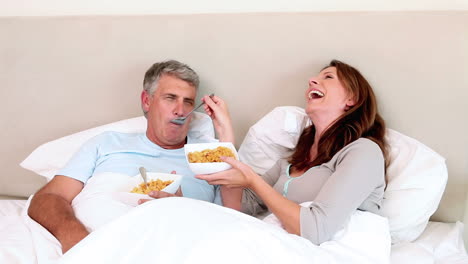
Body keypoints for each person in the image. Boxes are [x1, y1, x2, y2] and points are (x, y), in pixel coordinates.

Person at [27, 59, 234, 253]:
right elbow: (48, 198)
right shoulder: (106, 144)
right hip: (94, 248)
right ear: (147, 101)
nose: (180, 110)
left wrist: (179, 210)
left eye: (188, 102)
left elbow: (232, 220)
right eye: (170, 98)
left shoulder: (209, 155)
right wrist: (75, 239)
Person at [197, 59, 389, 244]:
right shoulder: (289, 162)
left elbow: (315, 230)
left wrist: (253, 181)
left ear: (352, 99)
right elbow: (236, 208)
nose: (311, 80)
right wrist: (226, 134)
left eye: (328, 77)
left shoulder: (364, 152)